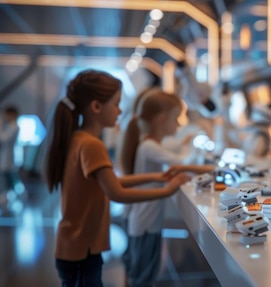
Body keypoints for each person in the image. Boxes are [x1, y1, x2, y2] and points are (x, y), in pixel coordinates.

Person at [45, 70, 191, 287]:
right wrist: (168, 189)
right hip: (81, 250)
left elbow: (111, 182)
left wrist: (156, 176)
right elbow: (117, 192)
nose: (119, 111)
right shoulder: (92, 145)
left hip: (75, 247)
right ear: (96, 107)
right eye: (115, 104)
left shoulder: (80, 139)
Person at [119, 90, 215, 287]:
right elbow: (181, 162)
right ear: (162, 119)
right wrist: (211, 165)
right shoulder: (149, 147)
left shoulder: (149, 145)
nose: (179, 125)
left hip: (146, 221)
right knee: (143, 275)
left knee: (142, 272)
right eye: (176, 118)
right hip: (145, 223)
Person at [0, 105, 21, 206]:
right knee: (8, 177)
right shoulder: (11, 126)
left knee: (8, 177)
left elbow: (3, 138)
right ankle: (9, 195)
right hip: (7, 156)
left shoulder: (14, 126)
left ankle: (7, 196)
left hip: (9, 157)